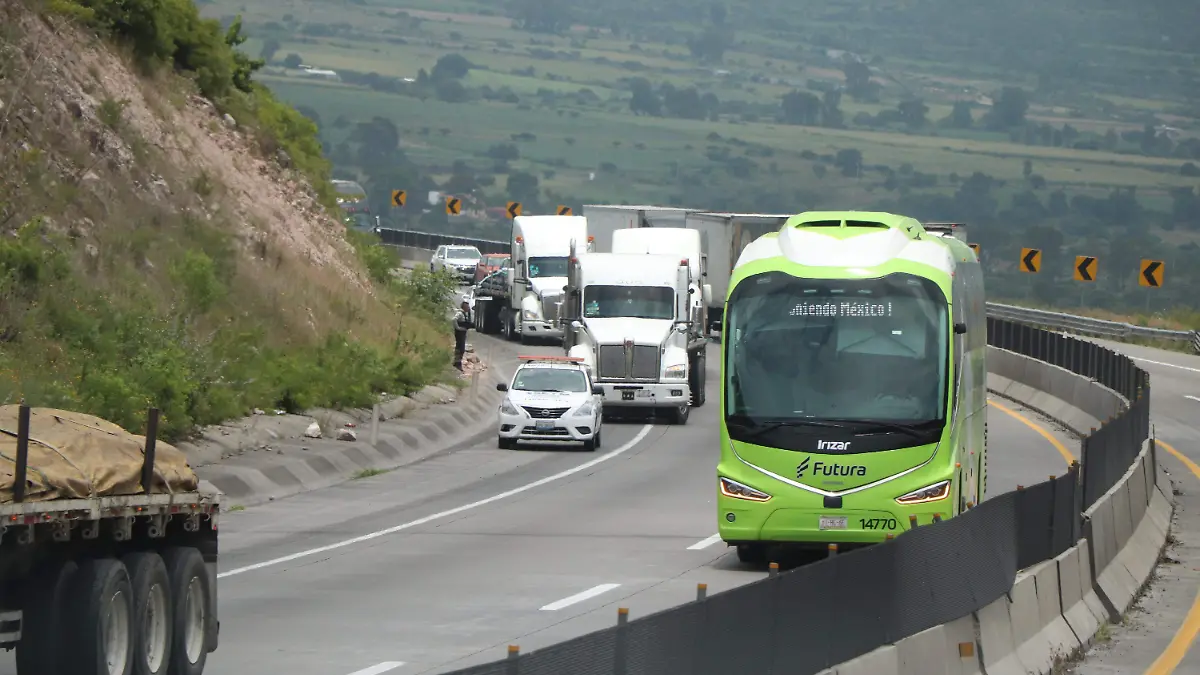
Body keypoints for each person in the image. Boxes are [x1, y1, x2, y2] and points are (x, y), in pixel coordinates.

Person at [453, 300, 473, 371]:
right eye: (467, 306)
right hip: (460, 333)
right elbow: (454, 319)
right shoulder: (460, 313)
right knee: (460, 348)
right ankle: (457, 363)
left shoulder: (464, 314)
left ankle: (457, 362)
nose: (468, 308)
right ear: (464, 307)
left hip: (462, 332)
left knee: (461, 347)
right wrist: (458, 328)